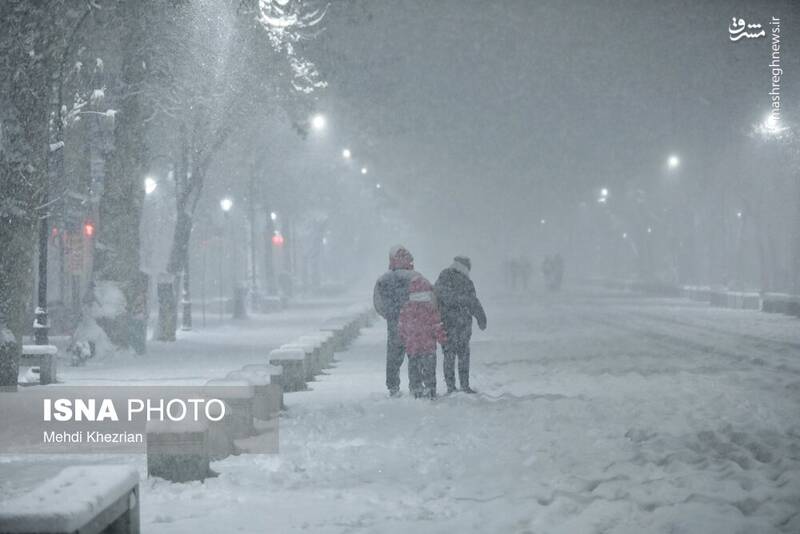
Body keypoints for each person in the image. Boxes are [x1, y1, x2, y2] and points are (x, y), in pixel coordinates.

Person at [434, 255, 487, 394]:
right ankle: (464, 385)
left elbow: (437, 295)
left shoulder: (443, 276)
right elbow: (473, 302)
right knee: (463, 355)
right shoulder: (467, 282)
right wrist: (481, 318)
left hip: (446, 322)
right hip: (463, 324)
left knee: (448, 355)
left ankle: (451, 387)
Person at [373, 245, 419, 396]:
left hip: (394, 323)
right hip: (414, 322)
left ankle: (393, 386)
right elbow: (428, 299)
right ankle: (415, 385)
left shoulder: (383, 280)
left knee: (393, 355)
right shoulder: (416, 277)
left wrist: (390, 315)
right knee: (414, 354)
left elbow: (378, 303)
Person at [398, 276, 447, 399]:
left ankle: (416, 390)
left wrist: (404, 339)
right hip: (428, 347)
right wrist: (442, 339)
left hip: (412, 347)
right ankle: (430, 390)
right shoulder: (430, 308)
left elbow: (401, 327)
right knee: (429, 370)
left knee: (414, 370)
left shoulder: (406, 308)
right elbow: (437, 325)